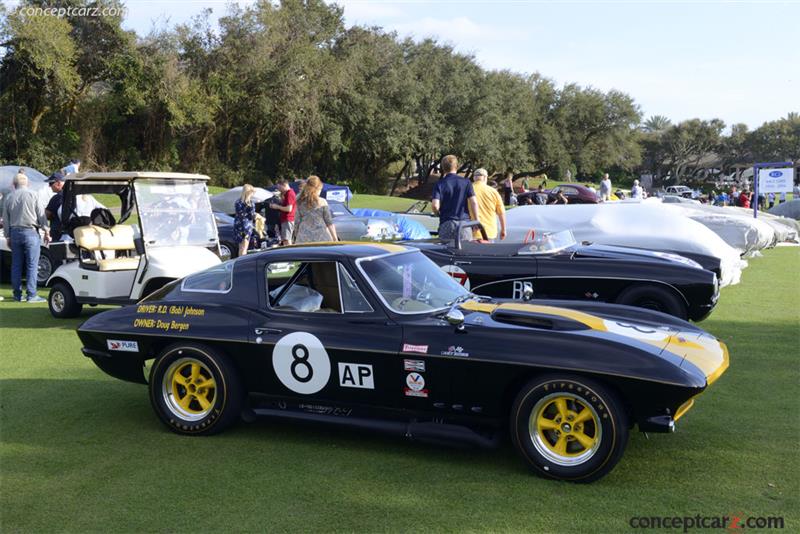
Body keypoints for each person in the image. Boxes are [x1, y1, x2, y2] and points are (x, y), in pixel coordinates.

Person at [1, 172, 50, 302]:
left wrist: (7, 236)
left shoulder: (9, 197)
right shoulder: (34, 195)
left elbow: (6, 220)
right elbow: (41, 215)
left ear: (13, 184)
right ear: (27, 183)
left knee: (16, 265)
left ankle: (17, 294)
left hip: (15, 233)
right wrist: (46, 230)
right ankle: (31, 294)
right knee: (32, 265)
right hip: (31, 232)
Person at [431, 155, 479, 242]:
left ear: (443, 167)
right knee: (465, 252)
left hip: (447, 223)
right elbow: (474, 202)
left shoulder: (439, 184)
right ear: (457, 166)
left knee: (446, 251)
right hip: (464, 224)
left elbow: (435, 205)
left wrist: (437, 213)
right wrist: (476, 220)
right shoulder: (466, 182)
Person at [294, 175, 338, 243]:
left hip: (303, 237)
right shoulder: (322, 202)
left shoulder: (299, 201)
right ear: (317, 189)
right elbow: (329, 223)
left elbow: (297, 222)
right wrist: (335, 239)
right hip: (321, 237)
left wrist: (296, 235)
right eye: (320, 189)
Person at [468, 168, 506, 241]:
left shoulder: (467, 190)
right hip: (489, 232)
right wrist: (503, 230)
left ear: (474, 178)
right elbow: (501, 213)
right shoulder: (493, 192)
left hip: (471, 231)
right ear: (485, 177)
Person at [269, 179, 297, 245]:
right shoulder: (287, 193)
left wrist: (277, 206)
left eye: (279, 187)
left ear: (284, 185)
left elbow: (288, 209)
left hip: (288, 219)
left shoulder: (289, 193)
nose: (278, 189)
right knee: (286, 239)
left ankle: (289, 254)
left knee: (286, 240)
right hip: (287, 219)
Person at [234, 184, 256, 257]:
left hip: (243, 227)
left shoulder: (240, 202)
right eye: (252, 192)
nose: (253, 194)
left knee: (242, 247)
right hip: (244, 227)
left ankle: (240, 261)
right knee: (243, 247)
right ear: (248, 192)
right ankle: (242, 262)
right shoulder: (245, 203)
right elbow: (248, 215)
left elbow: (250, 215)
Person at [45, 172, 65, 241]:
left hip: (58, 233)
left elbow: (46, 214)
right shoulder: (73, 194)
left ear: (59, 183)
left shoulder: (57, 197)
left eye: (51, 183)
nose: (49, 186)